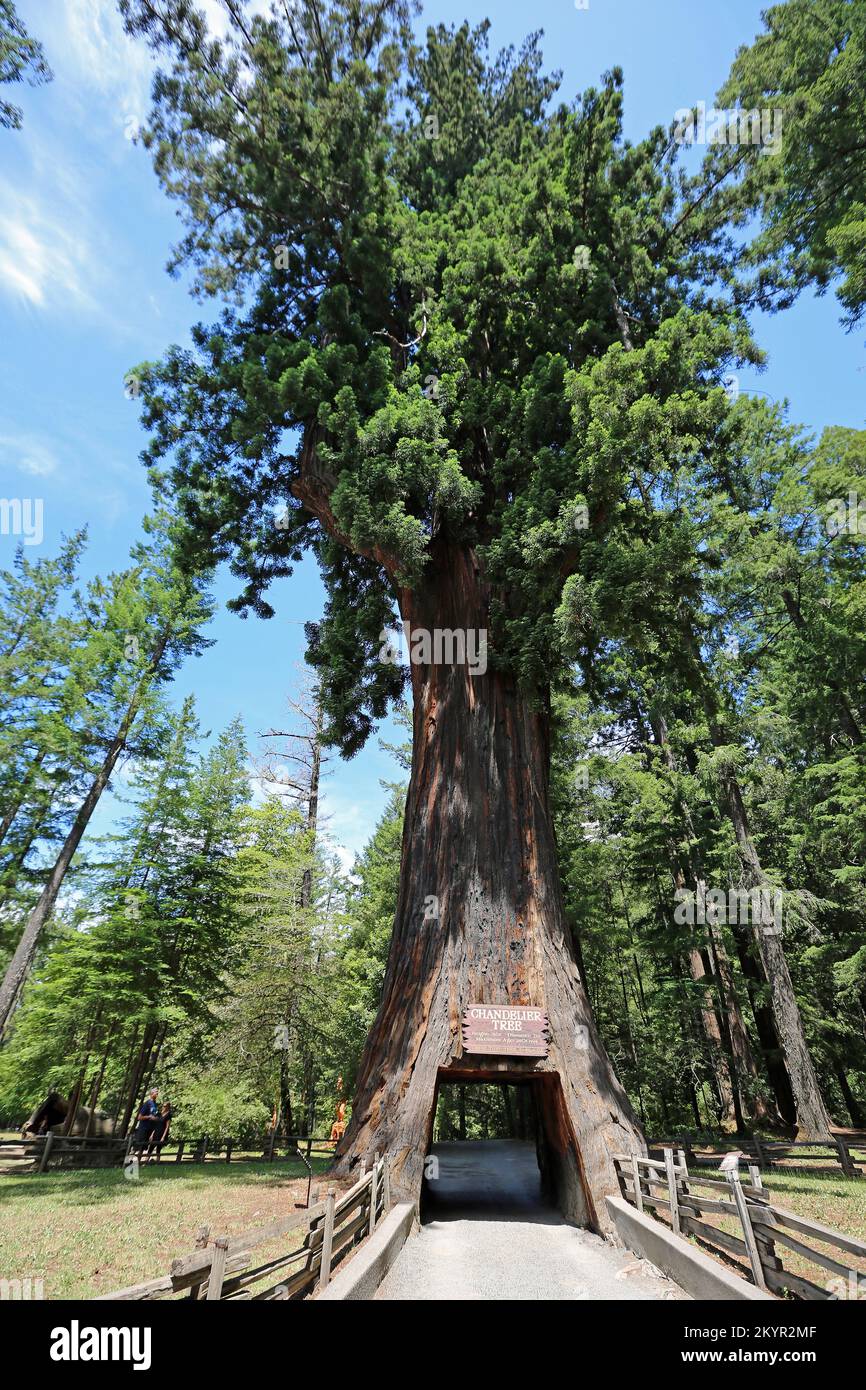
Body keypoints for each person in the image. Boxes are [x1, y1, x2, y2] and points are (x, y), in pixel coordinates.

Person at [131, 1088, 160, 1156]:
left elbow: (154, 1115)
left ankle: (139, 1163)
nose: (157, 1093)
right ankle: (128, 1163)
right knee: (137, 1147)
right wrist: (149, 1117)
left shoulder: (155, 1104)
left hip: (149, 1129)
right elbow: (139, 1117)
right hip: (143, 1129)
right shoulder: (147, 1103)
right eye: (156, 1092)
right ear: (151, 1093)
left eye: (157, 1092)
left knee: (143, 1148)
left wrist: (156, 1119)